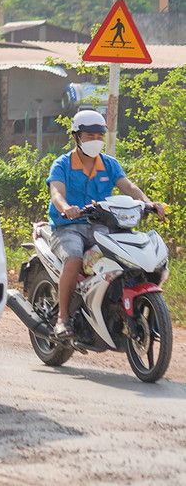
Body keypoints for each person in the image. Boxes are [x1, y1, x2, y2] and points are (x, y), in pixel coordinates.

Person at [46, 108, 166, 338]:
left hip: (101, 227)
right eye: (90, 136)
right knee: (74, 260)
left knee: (127, 261)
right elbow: (56, 193)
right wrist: (65, 208)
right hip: (67, 227)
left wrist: (150, 204)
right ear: (76, 137)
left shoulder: (109, 164)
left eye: (100, 136)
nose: (96, 141)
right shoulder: (62, 164)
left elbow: (129, 187)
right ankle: (62, 317)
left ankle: (119, 307)